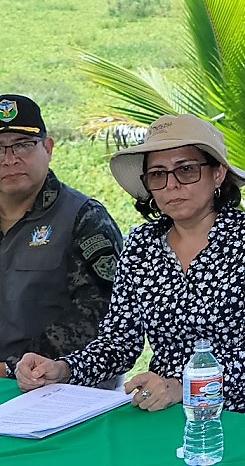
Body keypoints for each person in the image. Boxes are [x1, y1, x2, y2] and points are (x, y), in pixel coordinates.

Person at [16, 113, 245, 421]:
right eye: (158, 175)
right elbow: (118, 342)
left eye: (186, 170)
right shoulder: (142, 244)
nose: (172, 185)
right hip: (166, 411)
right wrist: (64, 369)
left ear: (218, 174)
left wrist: (183, 386)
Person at [0, 93, 122, 383]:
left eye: (23, 145)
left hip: (61, 387)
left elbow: (100, 316)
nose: (9, 159)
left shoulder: (84, 218)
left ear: (49, 148)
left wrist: (11, 367)